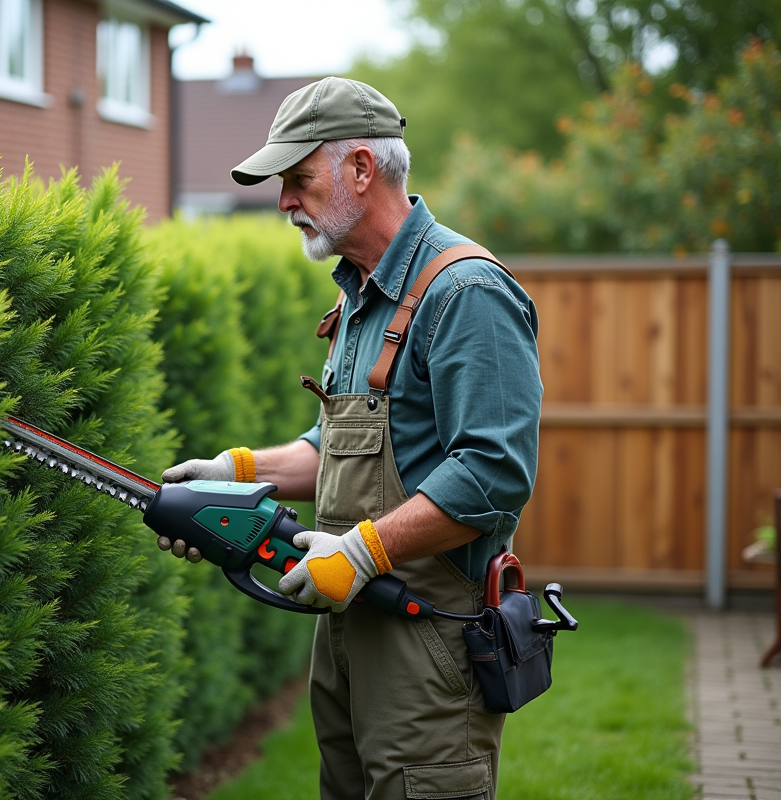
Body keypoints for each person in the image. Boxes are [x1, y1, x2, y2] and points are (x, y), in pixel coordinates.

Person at [159, 77, 542, 800]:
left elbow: (495, 471)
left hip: (427, 640)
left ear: (361, 170)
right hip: (348, 625)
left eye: (298, 180)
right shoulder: (362, 292)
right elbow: (342, 442)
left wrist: (361, 552)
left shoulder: (465, 293)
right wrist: (236, 471)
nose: (283, 202)